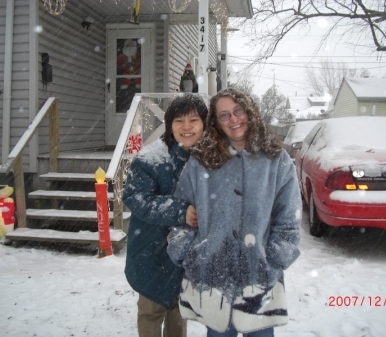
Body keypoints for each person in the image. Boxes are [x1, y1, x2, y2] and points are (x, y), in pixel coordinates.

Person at [167, 88, 302, 337]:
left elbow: (289, 217)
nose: (234, 119)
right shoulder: (201, 161)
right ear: (216, 123)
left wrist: (275, 257)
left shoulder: (277, 159)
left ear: (250, 112)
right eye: (224, 115)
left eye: (238, 111)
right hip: (213, 281)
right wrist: (187, 251)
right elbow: (182, 212)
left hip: (260, 282)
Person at [123, 93, 208, 337]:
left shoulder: (208, 161)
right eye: (179, 121)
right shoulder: (149, 159)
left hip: (184, 259)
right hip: (152, 256)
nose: (187, 127)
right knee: (151, 313)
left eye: (194, 120)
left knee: (179, 314)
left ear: (204, 124)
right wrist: (182, 211)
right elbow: (137, 199)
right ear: (170, 125)